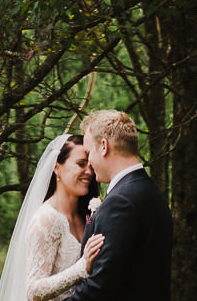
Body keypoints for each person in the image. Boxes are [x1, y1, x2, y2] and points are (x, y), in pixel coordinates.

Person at [67, 110, 171, 301]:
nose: (89, 163)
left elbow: (101, 288)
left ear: (104, 146)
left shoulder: (120, 202)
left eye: (89, 153)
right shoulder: (152, 193)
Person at [0, 134, 105, 301]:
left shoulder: (88, 215)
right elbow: (33, 291)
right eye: (81, 164)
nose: (88, 172)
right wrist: (81, 268)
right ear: (57, 167)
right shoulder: (46, 220)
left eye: (90, 165)